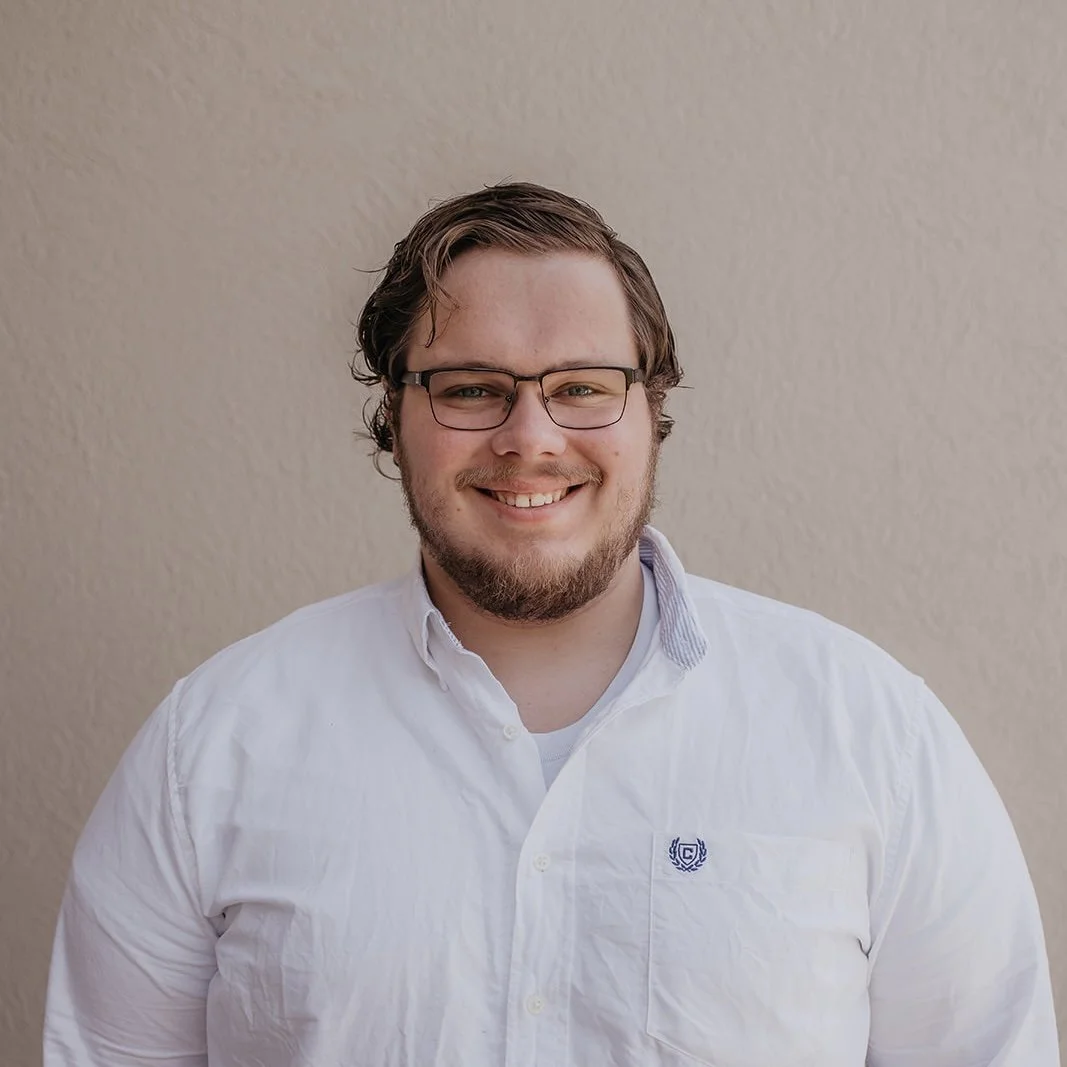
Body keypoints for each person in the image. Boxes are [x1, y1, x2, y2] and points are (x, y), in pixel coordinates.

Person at [44, 182, 1058, 1066]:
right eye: (470, 388)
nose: (529, 437)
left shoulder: (870, 732)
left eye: (581, 386)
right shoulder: (212, 747)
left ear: (649, 408)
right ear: (392, 418)